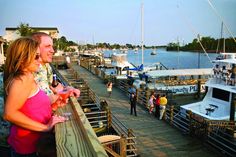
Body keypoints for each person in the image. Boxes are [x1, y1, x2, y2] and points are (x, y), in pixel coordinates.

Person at [3, 37, 66, 157]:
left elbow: (30, 107)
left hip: (33, 144)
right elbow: (9, 114)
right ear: (22, 59)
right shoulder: (22, 79)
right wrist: (45, 128)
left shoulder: (28, 77)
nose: (39, 59)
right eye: (36, 56)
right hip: (27, 148)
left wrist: (54, 105)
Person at [30, 32, 80, 105]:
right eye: (47, 46)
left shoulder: (47, 65)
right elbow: (46, 99)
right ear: (35, 48)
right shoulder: (35, 69)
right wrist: (60, 92)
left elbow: (52, 86)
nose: (52, 50)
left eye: (52, 46)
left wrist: (68, 89)